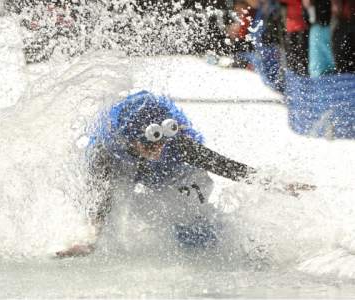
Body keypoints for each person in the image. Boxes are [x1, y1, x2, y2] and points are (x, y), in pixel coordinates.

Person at [56, 91, 315, 258]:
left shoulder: (178, 144)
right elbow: (100, 203)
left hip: (175, 174)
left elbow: (225, 166)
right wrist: (89, 240)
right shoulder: (108, 156)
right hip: (124, 171)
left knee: (191, 220)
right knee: (119, 204)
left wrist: (275, 183)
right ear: (130, 140)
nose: (157, 149)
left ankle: (225, 236)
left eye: (160, 142)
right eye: (149, 144)